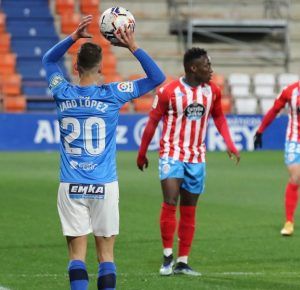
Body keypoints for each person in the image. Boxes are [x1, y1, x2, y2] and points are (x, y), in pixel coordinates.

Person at [42, 15, 165, 290]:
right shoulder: (113, 93)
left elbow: (48, 61)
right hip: (104, 184)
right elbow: (157, 77)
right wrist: (132, 46)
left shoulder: (61, 91)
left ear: (75, 66)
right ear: (101, 68)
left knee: (77, 256)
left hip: (70, 185)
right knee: (106, 255)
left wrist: (72, 37)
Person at [136, 47, 240, 276]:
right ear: (193, 68)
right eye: (207, 66)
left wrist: (230, 144)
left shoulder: (212, 91)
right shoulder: (169, 91)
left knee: (189, 209)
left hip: (196, 157)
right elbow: (152, 123)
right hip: (172, 154)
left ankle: (182, 261)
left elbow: (219, 117)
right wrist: (142, 152)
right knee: (170, 201)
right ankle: (166, 257)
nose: (211, 70)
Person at [254, 80, 300, 236]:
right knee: (296, 177)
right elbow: (274, 110)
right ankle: (289, 222)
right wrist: (260, 130)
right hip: (295, 141)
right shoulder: (290, 91)